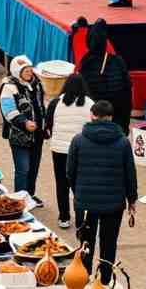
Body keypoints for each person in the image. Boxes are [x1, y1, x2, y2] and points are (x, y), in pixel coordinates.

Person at [67, 99, 138, 283]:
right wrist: (132, 199)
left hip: (85, 203)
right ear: (111, 117)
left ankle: (83, 278)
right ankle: (105, 281)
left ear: (92, 115)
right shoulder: (122, 142)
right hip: (113, 203)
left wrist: (79, 192)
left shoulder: (78, 140)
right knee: (109, 243)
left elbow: (70, 171)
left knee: (85, 242)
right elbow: (130, 173)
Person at [45, 73, 93, 230]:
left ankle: (64, 217)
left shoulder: (55, 103)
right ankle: (81, 218)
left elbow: (48, 125)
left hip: (59, 149)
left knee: (61, 183)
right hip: (82, 150)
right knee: (79, 184)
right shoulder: (90, 104)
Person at [0, 55, 47, 202]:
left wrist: (46, 126)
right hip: (19, 136)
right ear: (16, 71)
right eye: (25, 70)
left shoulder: (37, 84)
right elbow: (8, 111)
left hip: (37, 135)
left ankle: (30, 195)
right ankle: (19, 199)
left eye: (30, 69)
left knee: (33, 168)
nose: (29, 72)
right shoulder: (9, 87)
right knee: (23, 169)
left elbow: (41, 106)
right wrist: (24, 122)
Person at [78, 18, 132, 135]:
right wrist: (125, 125)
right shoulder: (118, 61)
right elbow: (127, 93)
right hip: (116, 120)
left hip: (93, 119)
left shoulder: (85, 63)